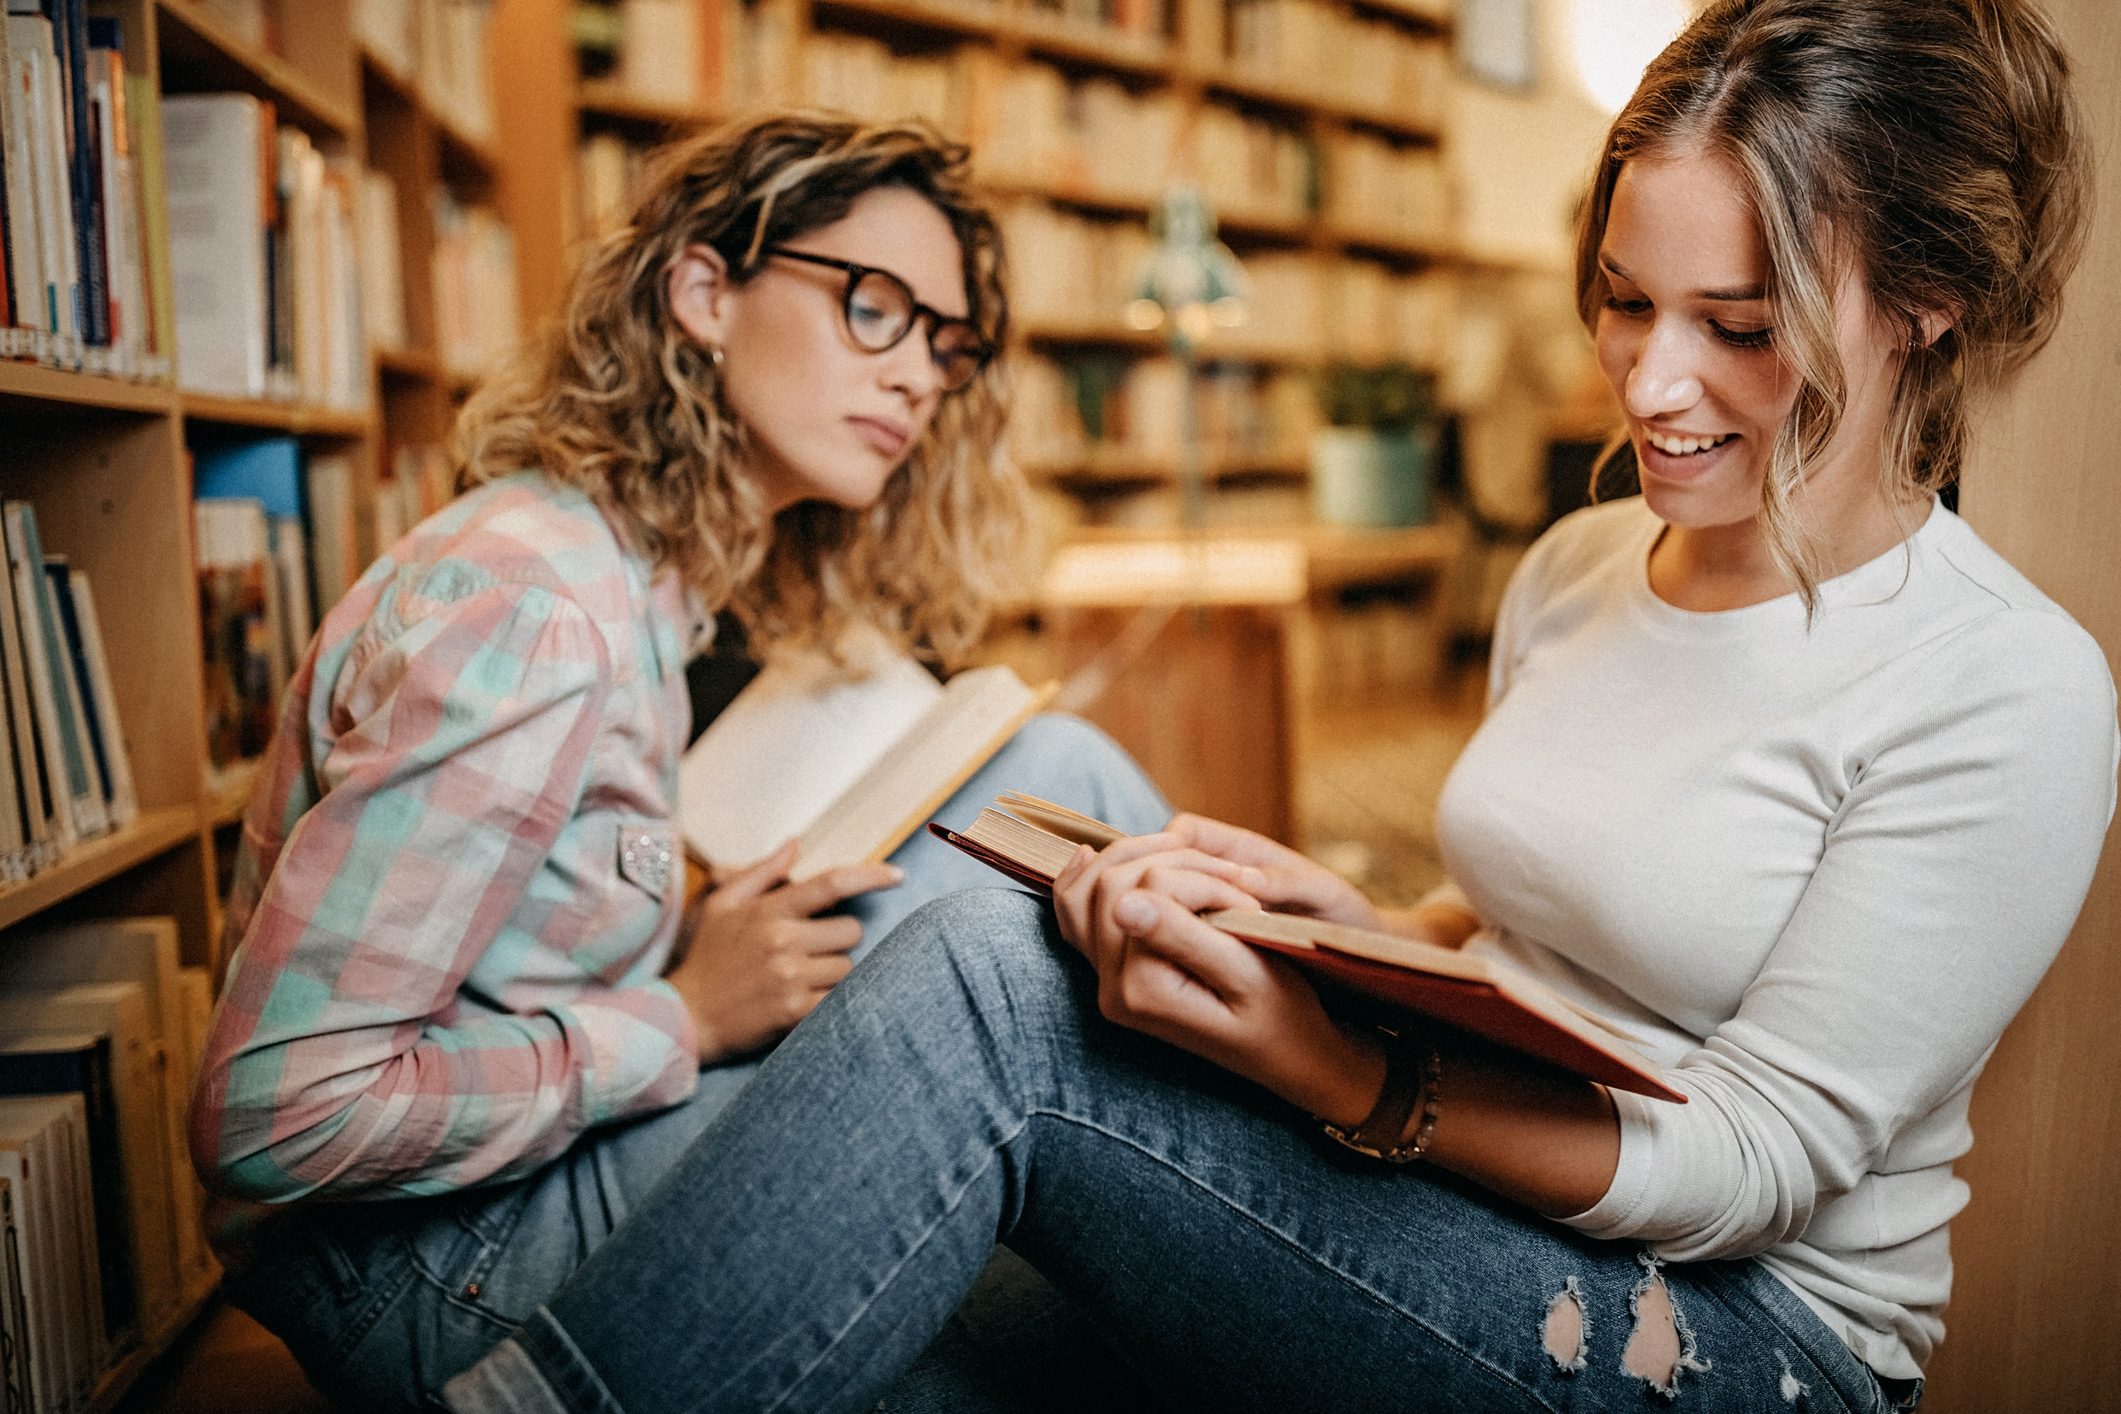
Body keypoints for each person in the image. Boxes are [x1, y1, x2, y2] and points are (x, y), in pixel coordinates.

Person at [434, 2, 2117, 1411]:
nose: (1649, 382)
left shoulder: (2004, 686)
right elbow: (1545, 925)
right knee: (999, 974)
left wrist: (1332, 1061)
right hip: (1450, 1164)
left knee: (1002, 1007)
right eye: (1621, 299)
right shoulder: (1593, 560)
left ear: (1923, 304)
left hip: (1724, 1339)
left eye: (1735, 328)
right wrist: (1350, 922)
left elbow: (1746, 1165)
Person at [186, 114, 1170, 1411]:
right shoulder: (531, 607)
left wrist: (695, 932)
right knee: (1081, 1268)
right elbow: (272, 1116)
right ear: (703, 292)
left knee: (1055, 768)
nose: (921, 376)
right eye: (874, 307)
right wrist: (686, 1015)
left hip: (531, 1166)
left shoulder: (645, 582)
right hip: (424, 1263)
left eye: (945, 341)